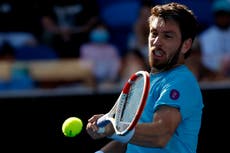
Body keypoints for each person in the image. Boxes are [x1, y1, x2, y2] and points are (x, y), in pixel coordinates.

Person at [86, 2, 204, 153]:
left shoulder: (181, 81)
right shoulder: (146, 82)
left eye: (167, 36)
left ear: (186, 45)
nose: (156, 42)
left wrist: (114, 129)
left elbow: (160, 136)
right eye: (154, 33)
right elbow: (131, 140)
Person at [198, 0, 230, 77]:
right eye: (219, 15)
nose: (222, 18)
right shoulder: (205, 36)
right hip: (213, 78)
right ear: (215, 16)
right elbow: (204, 61)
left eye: (225, 15)